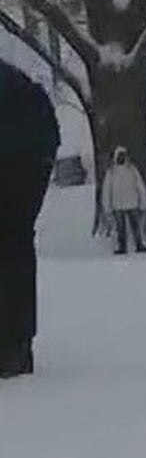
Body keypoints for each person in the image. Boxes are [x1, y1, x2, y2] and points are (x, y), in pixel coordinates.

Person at [0, 59, 60, 379]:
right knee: (17, 242)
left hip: (16, 154)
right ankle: (19, 344)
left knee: (9, 243)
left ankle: (10, 347)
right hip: (38, 152)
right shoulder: (15, 79)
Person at [101, 146, 146, 255]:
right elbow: (106, 190)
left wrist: (143, 202)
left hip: (132, 203)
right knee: (120, 228)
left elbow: (140, 186)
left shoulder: (132, 170)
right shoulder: (111, 172)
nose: (122, 158)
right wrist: (107, 207)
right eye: (120, 156)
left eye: (124, 155)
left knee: (136, 226)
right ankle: (121, 246)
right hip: (117, 205)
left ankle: (139, 244)